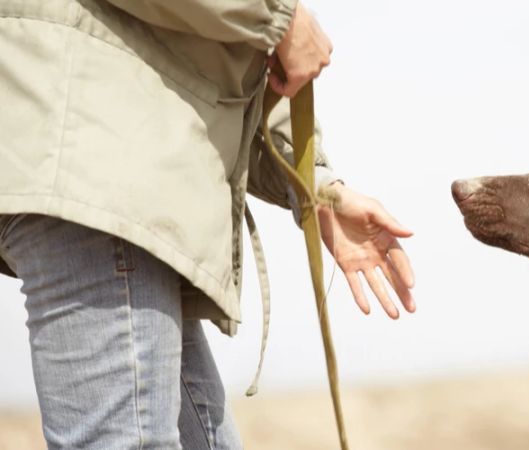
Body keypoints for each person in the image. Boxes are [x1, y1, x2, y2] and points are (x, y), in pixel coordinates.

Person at [0, 1, 415, 448]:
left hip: (120, 161)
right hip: (99, 156)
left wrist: (316, 186)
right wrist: (279, 17)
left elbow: (241, 72)